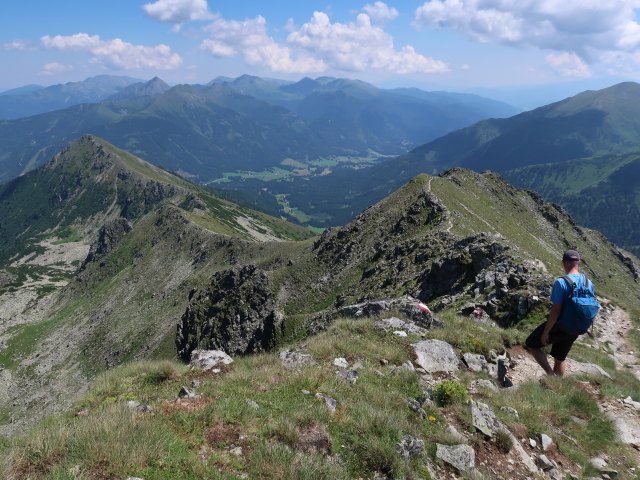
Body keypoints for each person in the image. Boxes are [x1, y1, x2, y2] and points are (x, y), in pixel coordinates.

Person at [525, 250, 593, 377]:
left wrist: (546, 332)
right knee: (560, 357)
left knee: (531, 344)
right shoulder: (588, 282)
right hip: (578, 327)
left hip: (562, 325)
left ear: (564, 263)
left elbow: (556, 311)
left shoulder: (561, 282)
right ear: (578, 262)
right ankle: (557, 386)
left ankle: (551, 376)